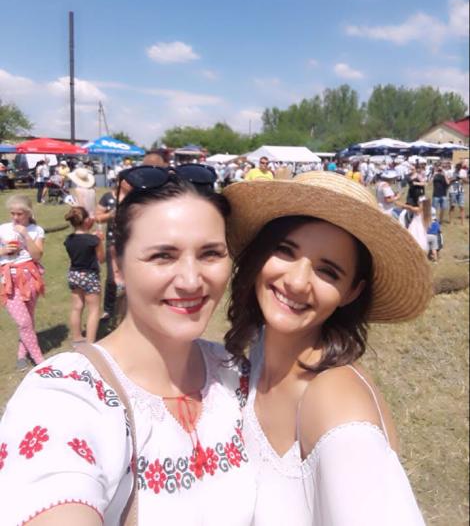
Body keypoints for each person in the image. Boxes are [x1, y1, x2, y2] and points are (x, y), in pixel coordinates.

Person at [0, 165, 255, 525]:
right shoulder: (65, 394)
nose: (190, 280)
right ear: (118, 267)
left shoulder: (237, 376)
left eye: (210, 253)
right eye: (163, 255)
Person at [224, 171, 432, 525]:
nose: (297, 282)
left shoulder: (336, 409)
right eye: (285, 251)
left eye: (328, 272)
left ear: (352, 292)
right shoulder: (259, 354)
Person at [0, 195, 45, 370]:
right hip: (8, 279)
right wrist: (4, 250)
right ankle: (39, 360)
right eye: (13, 213)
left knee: (28, 319)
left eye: (19, 214)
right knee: (24, 322)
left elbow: (37, 255)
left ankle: (21, 356)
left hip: (29, 276)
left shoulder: (36, 230)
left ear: (28, 213)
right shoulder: (3, 229)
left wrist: (25, 235)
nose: (15, 217)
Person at [64, 206, 105, 343]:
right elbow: (101, 259)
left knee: (77, 307)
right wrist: (100, 241)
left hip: (74, 275)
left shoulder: (68, 240)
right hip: (89, 276)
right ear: (86, 220)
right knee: (94, 309)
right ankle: (90, 342)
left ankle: (77, 338)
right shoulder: (93, 240)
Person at [95, 184, 119, 320]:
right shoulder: (108, 197)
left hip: (132, 241)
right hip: (113, 241)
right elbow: (97, 217)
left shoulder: (134, 195)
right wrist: (110, 215)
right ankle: (108, 309)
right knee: (111, 278)